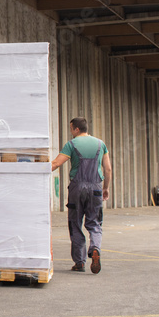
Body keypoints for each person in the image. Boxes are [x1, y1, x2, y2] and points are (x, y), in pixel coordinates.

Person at [50, 117, 112, 274]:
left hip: (77, 188)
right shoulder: (100, 144)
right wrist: (106, 188)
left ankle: (79, 262)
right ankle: (95, 247)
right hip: (96, 187)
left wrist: (35, 171)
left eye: (71, 128)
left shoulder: (71, 144)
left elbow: (56, 163)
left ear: (76, 129)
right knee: (94, 223)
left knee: (75, 223)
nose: (71, 132)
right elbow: (108, 169)